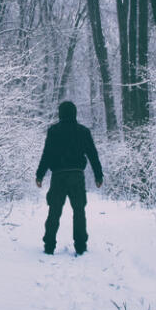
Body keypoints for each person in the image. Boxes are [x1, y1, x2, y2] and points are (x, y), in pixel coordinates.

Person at [35, 101, 103, 255]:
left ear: (60, 113)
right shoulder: (83, 131)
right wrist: (98, 175)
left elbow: (47, 154)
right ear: (75, 113)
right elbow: (93, 154)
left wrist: (40, 175)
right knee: (79, 211)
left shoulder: (54, 131)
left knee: (54, 211)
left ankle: (49, 245)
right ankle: (80, 246)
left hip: (58, 176)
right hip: (77, 176)